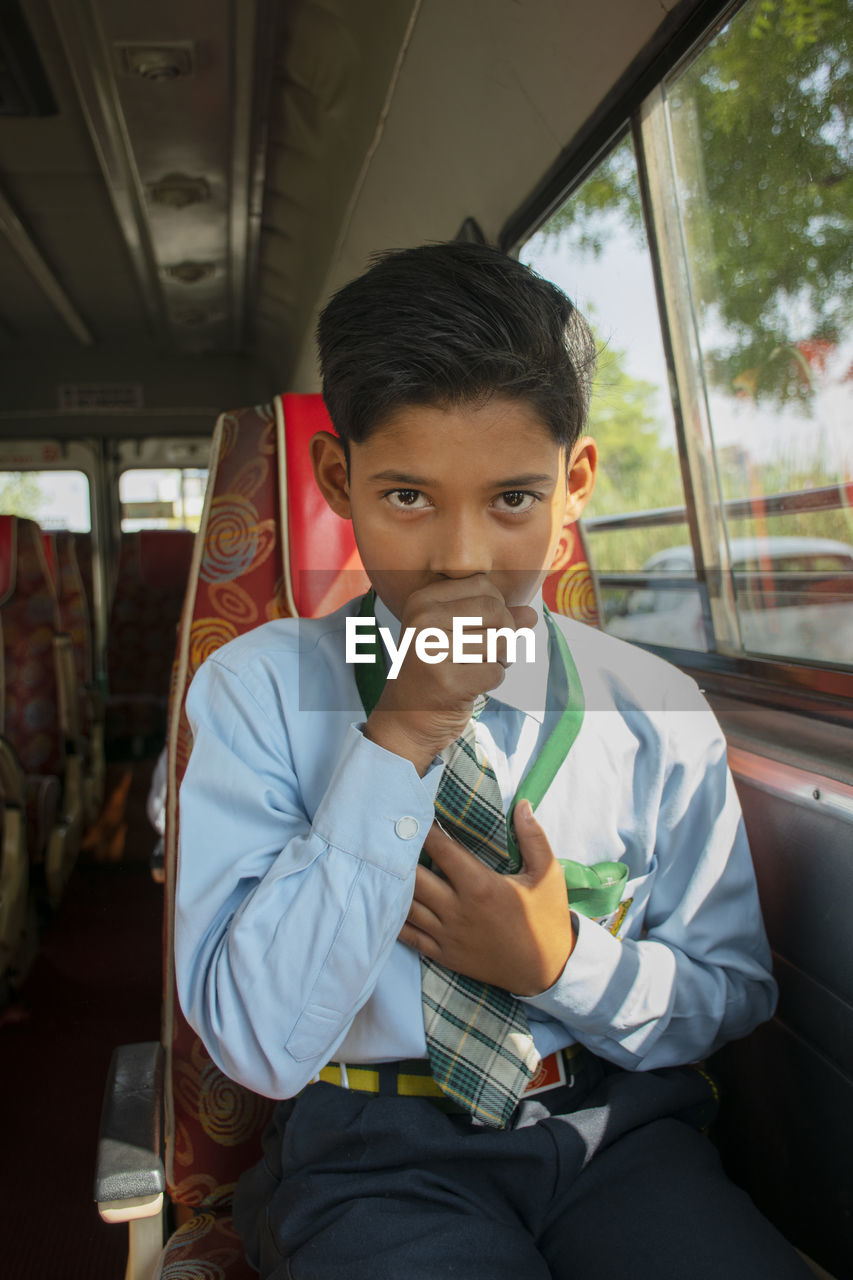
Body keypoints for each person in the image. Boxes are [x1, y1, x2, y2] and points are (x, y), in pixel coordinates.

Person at [176, 242, 811, 1278]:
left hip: (619, 1135)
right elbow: (254, 1042)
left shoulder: (656, 709)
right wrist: (404, 732)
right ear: (339, 480)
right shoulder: (259, 691)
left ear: (575, 487)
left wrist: (561, 963)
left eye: (512, 498)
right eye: (409, 498)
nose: (461, 556)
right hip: (372, 1154)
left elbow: (729, 991)